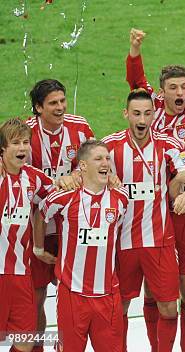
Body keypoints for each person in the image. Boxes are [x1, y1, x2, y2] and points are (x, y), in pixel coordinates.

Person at [125, 27, 185, 351]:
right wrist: (135, 49)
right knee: (155, 289)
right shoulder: (149, 108)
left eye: (184, 86)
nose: (180, 92)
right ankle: (158, 346)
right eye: (173, 88)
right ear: (161, 92)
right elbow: (136, 82)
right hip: (154, 208)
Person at [101, 89, 185, 352]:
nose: (142, 119)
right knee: (119, 306)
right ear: (126, 114)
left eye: (147, 113)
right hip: (122, 243)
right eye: (136, 113)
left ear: (154, 115)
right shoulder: (109, 147)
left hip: (159, 241)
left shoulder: (168, 144)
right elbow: (84, 173)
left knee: (169, 307)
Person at [22, 79, 95, 352]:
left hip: (70, 227)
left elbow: (96, 160)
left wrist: (76, 174)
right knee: (35, 298)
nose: (61, 107)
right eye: (53, 103)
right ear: (38, 108)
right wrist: (51, 182)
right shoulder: (25, 134)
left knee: (71, 297)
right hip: (34, 227)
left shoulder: (80, 126)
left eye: (62, 101)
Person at [39, 140, 128, 352]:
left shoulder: (121, 198)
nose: (105, 163)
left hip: (107, 295)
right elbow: (40, 215)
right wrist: (38, 249)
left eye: (107, 158)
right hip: (72, 294)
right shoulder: (64, 197)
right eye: (98, 158)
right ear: (83, 166)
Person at [0, 118, 54, 352]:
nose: (22, 148)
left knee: (25, 343)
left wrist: (71, 180)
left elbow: (58, 194)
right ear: (2, 149)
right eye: (15, 143)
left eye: (25, 142)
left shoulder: (33, 177)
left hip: (22, 274)